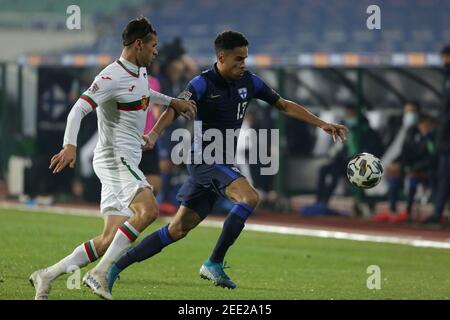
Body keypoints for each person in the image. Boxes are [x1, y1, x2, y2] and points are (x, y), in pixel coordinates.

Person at [103, 30, 348, 299]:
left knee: (177, 229)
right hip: (204, 161)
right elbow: (174, 108)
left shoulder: (250, 82)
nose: (243, 64)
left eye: (245, 58)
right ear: (221, 57)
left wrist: (322, 123)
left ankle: (114, 267)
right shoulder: (202, 83)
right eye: (238, 59)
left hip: (220, 164)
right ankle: (214, 263)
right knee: (249, 197)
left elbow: (284, 105)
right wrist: (153, 134)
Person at [29, 17, 196, 300]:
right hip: (114, 159)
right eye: (153, 45)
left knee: (108, 240)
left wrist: (171, 102)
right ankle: (99, 274)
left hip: (126, 159)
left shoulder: (139, 71)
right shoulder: (109, 77)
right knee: (149, 211)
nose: (157, 51)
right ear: (139, 44)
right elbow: (77, 110)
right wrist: (69, 144)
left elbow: (145, 93)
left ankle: (46, 275)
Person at [301, 103, 383, 216]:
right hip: (345, 163)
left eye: (351, 114)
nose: (348, 117)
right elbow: (342, 149)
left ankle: (327, 202)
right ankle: (320, 201)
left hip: (361, 165)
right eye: (347, 114)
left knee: (335, 172)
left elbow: (375, 151)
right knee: (324, 169)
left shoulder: (368, 132)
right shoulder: (345, 130)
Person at [374, 114, 437, 223]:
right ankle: (392, 209)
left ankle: (407, 211)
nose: (424, 128)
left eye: (426, 126)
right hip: (414, 169)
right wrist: (397, 164)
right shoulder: (414, 136)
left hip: (430, 171)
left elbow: (433, 159)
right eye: (422, 126)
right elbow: (406, 154)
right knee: (394, 173)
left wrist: (413, 168)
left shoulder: (434, 139)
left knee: (411, 177)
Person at [421, 45, 450, 225]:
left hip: (447, 139)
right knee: (440, 174)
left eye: (446, 57)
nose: (444, 61)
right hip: (445, 139)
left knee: (444, 176)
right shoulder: (446, 78)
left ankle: (438, 212)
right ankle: (438, 210)